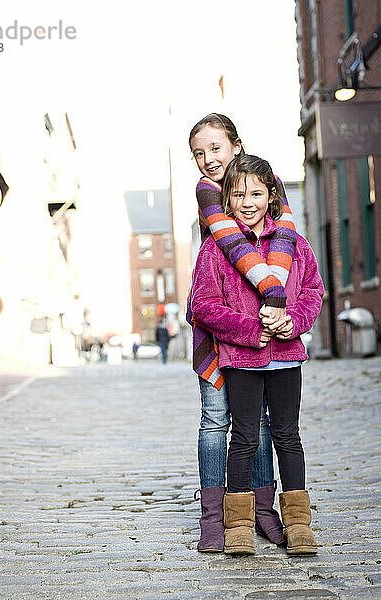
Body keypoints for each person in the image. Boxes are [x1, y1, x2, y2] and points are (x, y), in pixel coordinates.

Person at [190, 154, 324, 555]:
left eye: (256, 193)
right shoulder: (216, 249)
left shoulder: (294, 245)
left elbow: (313, 291)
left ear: (271, 196)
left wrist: (295, 322)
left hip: (286, 357)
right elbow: (204, 305)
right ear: (226, 201)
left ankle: (299, 523)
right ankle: (239, 524)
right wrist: (252, 330)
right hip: (242, 359)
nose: (248, 202)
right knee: (245, 436)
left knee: (288, 435)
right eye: (238, 195)